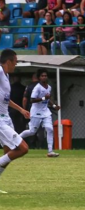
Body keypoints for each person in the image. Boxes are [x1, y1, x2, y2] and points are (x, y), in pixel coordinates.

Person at [0, 49, 30, 194]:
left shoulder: (5, 76)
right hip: (0, 120)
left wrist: (21, 110)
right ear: (8, 61)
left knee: (8, 154)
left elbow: (6, 99)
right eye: (15, 62)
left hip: (6, 118)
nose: (15, 65)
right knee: (23, 148)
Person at [20, 69, 61, 158]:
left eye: (45, 76)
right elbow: (32, 100)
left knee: (49, 129)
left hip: (45, 112)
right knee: (32, 131)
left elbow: (48, 99)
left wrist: (54, 106)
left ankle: (50, 151)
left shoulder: (49, 87)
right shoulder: (37, 87)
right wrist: (43, 98)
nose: (44, 77)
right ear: (39, 77)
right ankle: (17, 139)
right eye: (42, 76)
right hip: (36, 112)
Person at [22, 73, 45, 149]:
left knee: (32, 128)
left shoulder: (29, 86)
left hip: (32, 110)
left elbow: (25, 99)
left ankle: (32, 144)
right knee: (41, 127)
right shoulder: (43, 86)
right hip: (42, 110)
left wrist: (24, 109)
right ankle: (41, 144)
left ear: (32, 78)